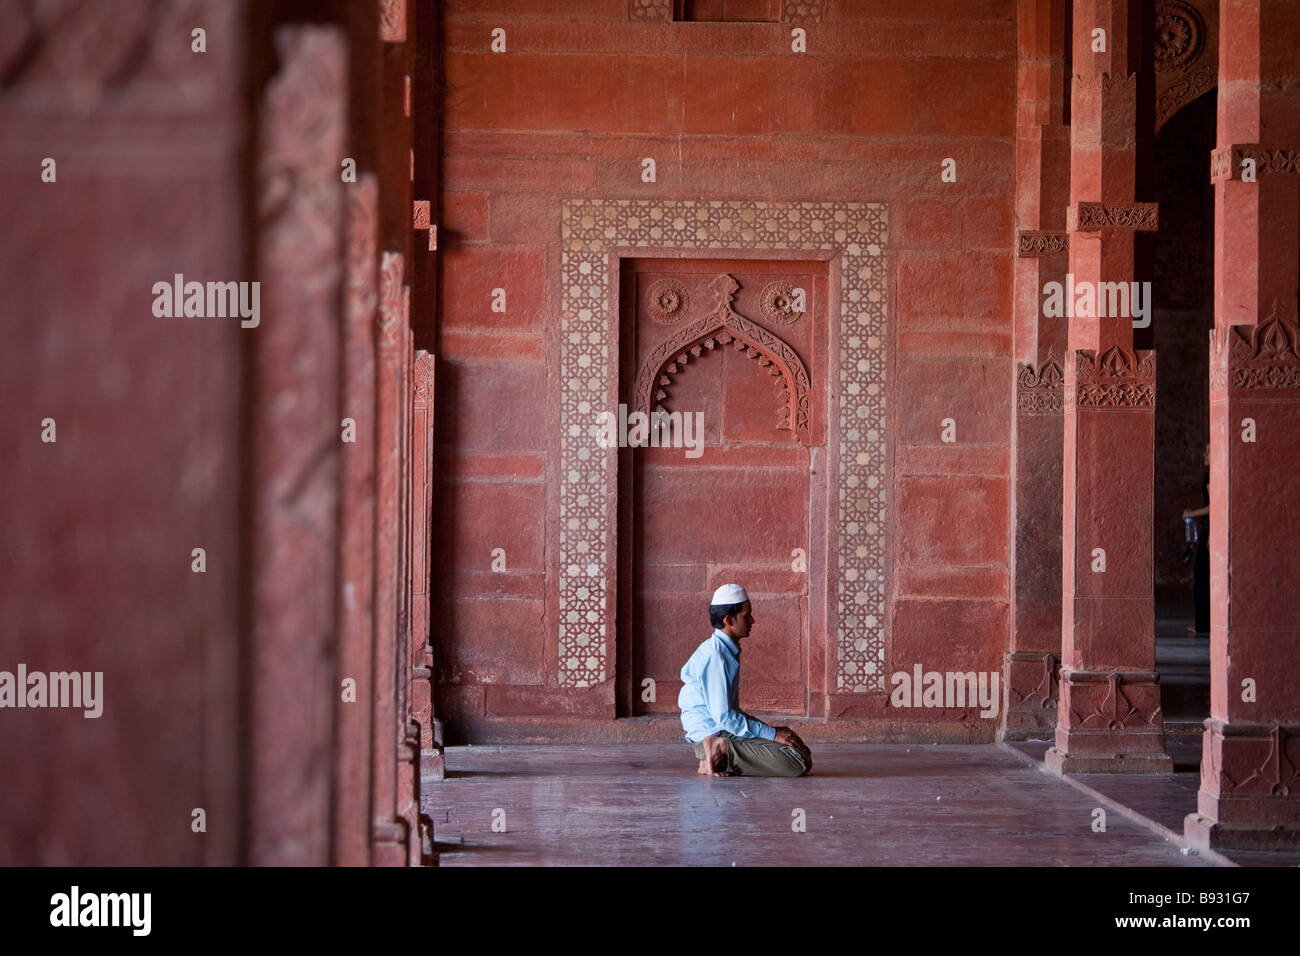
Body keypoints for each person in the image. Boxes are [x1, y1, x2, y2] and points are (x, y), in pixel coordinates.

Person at [678, 583, 812, 777]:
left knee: (802, 753)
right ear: (728, 620)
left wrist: (770, 731)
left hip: (724, 729)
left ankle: (720, 753)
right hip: (715, 734)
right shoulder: (715, 656)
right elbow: (725, 718)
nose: (752, 620)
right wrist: (771, 734)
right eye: (746, 615)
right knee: (796, 762)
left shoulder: (724, 649)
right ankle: (718, 750)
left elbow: (730, 712)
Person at [1182, 444, 1210, 636]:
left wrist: (1192, 513)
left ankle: (1203, 625)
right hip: (1208, 528)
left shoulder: (1211, 476)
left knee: (1201, 577)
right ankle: (1203, 624)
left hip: (1210, 529)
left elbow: (1213, 505)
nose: (1204, 455)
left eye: (1208, 451)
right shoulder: (1212, 474)